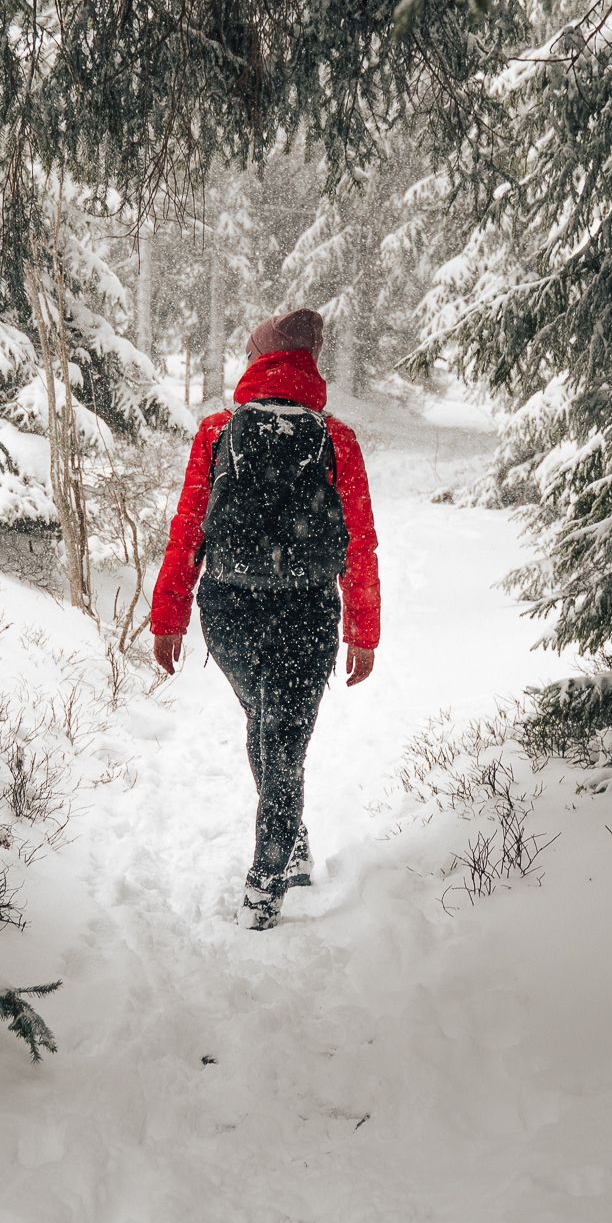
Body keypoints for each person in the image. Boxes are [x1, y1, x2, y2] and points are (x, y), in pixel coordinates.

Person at [150, 308, 380, 929]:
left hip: (230, 609)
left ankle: (275, 863)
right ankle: (273, 870)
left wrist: (168, 614)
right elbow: (358, 540)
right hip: (307, 608)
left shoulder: (217, 431)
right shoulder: (337, 438)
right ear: (308, 365)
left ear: (257, 362)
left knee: (266, 729)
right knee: (281, 736)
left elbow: (187, 528)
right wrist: (363, 630)